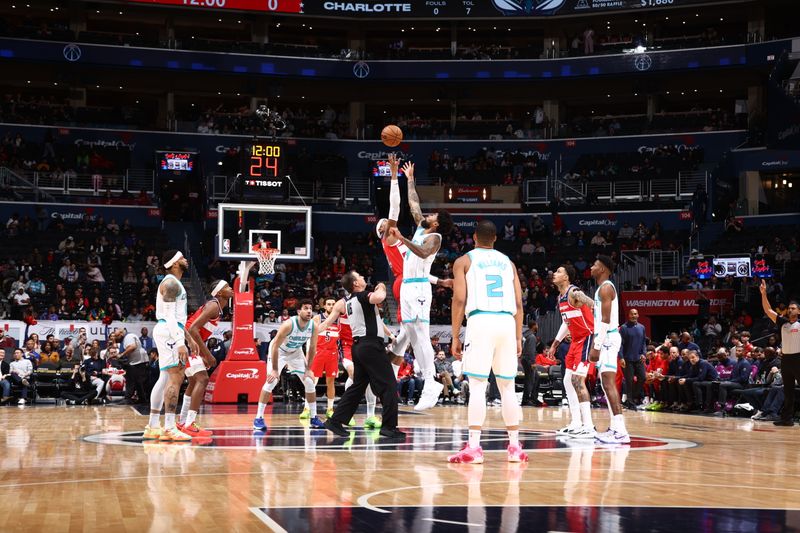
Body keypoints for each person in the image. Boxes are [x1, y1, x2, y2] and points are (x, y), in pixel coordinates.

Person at [448, 220, 527, 464]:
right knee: (507, 387)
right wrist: (516, 335)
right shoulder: (508, 263)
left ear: (474, 237)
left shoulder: (463, 261)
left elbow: (459, 300)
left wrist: (454, 336)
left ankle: (474, 447)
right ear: (495, 238)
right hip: (506, 322)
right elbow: (519, 304)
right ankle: (514, 447)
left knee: (479, 385)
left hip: (480, 321)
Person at [387, 161, 454, 411]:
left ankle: (430, 381)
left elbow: (424, 252)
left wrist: (402, 238)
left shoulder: (434, 238)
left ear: (436, 224)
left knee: (421, 334)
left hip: (418, 289)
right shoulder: (421, 226)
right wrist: (410, 179)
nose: (428, 215)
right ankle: (428, 381)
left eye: (433, 216)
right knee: (413, 335)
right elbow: (414, 204)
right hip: (407, 286)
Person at [323, 271, 403, 439]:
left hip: (359, 347)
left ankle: (335, 420)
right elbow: (379, 297)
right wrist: (381, 286)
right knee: (388, 384)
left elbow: (377, 320)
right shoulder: (361, 296)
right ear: (355, 284)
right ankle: (389, 427)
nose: (362, 278)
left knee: (358, 386)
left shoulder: (350, 301)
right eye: (359, 276)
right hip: (371, 346)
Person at [143, 250, 197, 442]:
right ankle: (170, 427)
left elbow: (177, 319)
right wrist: (180, 342)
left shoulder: (173, 283)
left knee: (165, 378)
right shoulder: (171, 283)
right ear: (174, 263)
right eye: (182, 258)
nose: (185, 261)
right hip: (169, 331)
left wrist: (188, 338)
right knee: (176, 377)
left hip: (170, 330)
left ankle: (153, 425)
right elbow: (170, 316)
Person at [253, 300, 324, 431]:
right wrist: (274, 370)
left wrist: (308, 369)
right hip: (279, 351)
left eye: (310, 308)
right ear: (298, 311)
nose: (309, 311)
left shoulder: (313, 326)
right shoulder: (289, 324)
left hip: (295, 352)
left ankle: (313, 418)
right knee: (271, 381)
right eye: (305, 308)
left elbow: (313, 348)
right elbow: (274, 347)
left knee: (309, 381)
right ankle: (258, 418)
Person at [547, 265, 596, 439]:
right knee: (568, 380)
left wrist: (594, 304)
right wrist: (555, 344)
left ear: (567, 277)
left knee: (577, 380)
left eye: (559, 271)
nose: (555, 273)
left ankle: (589, 426)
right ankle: (576, 423)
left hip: (587, 338)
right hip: (575, 341)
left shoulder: (574, 292)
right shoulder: (560, 298)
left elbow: (589, 301)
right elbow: (566, 323)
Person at [181, 280, 234, 437]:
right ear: (218, 293)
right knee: (202, 379)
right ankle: (189, 424)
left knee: (193, 382)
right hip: (185, 341)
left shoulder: (216, 307)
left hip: (188, 341)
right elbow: (192, 329)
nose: (230, 289)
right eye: (226, 287)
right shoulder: (213, 306)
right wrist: (207, 354)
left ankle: (183, 422)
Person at [589, 255, 629, 444]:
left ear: (603, 269)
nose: (591, 267)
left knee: (609, 383)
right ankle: (615, 428)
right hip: (607, 337)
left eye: (595, 264)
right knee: (606, 384)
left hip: (607, 338)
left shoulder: (605, 287)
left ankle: (621, 431)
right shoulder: (602, 289)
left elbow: (605, 320)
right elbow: (601, 313)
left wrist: (597, 345)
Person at [760, 279, 800, 427]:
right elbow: (767, 310)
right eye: (789, 308)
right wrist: (763, 293)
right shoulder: (783, 323)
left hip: (798, 358)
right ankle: (786, 419)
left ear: (799, 311)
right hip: (786, 359)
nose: (790, 310)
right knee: (787, 391)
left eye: (794, 308)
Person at [308, 297, 341, 418]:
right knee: (312, 381)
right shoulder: (317, 318)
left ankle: (330, 408)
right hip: (319, 352)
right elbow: (310, 336)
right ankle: (307, 408)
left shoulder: (339, 320)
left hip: (332, 353)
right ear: (324, 306)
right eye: (329, 304)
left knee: (330, 382)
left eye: (333, 304)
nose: (331, 306)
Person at [619, 308, 647, 409]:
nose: (633, 316)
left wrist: (644, 353)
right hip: (627, 359)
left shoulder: (642, 327)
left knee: (643, 378)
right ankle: (630, 401)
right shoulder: (623, 328)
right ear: (628, 315)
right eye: (631, 314)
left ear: (638, 315)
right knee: (629, 381)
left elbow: (644, 342)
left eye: (635, 314)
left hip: (639, 358)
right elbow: (620, 344)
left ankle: (631, 398)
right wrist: (621, 357)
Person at [114, 327, 148, 405]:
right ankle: (142, 399)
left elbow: (133, 347)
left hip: (138, 362)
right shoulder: (126, 338)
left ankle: (127, 398)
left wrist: (122, 355)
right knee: (138, 382)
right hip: (137, 361)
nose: (116, 338)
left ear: (121, 334)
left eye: (117, 336)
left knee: (130, 380)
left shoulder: (128, 337)